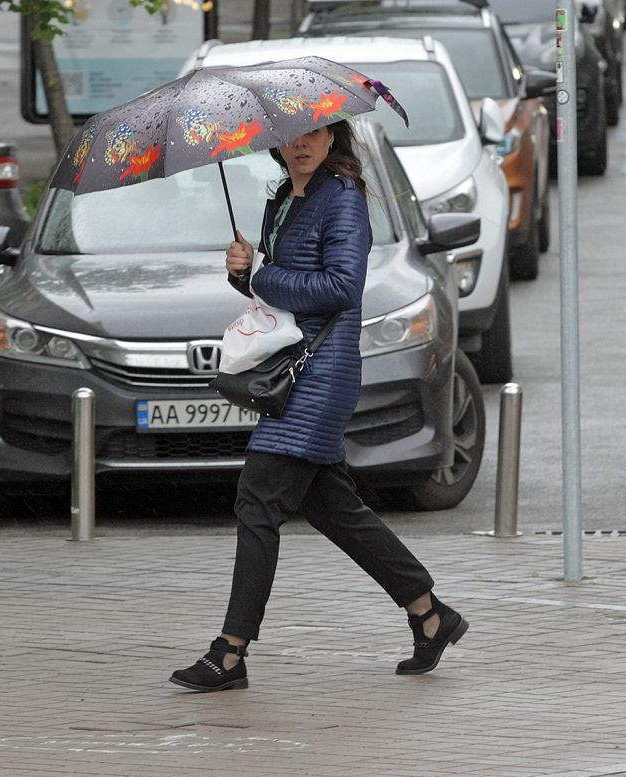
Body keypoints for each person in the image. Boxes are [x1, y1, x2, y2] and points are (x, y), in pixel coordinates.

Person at [169, 119, 468, 693]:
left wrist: (263, 272)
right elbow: (276, 290)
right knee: (334, 508)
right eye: (290, 136)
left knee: (257, 500)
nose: (301, 144)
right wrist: (243, 276)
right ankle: (430, 614)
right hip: (294, 361)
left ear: (335, 137)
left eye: (314, 134)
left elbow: (341, 287)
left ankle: (230, 653)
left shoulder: (343, 197)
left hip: (321, 373)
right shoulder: (283, 198)